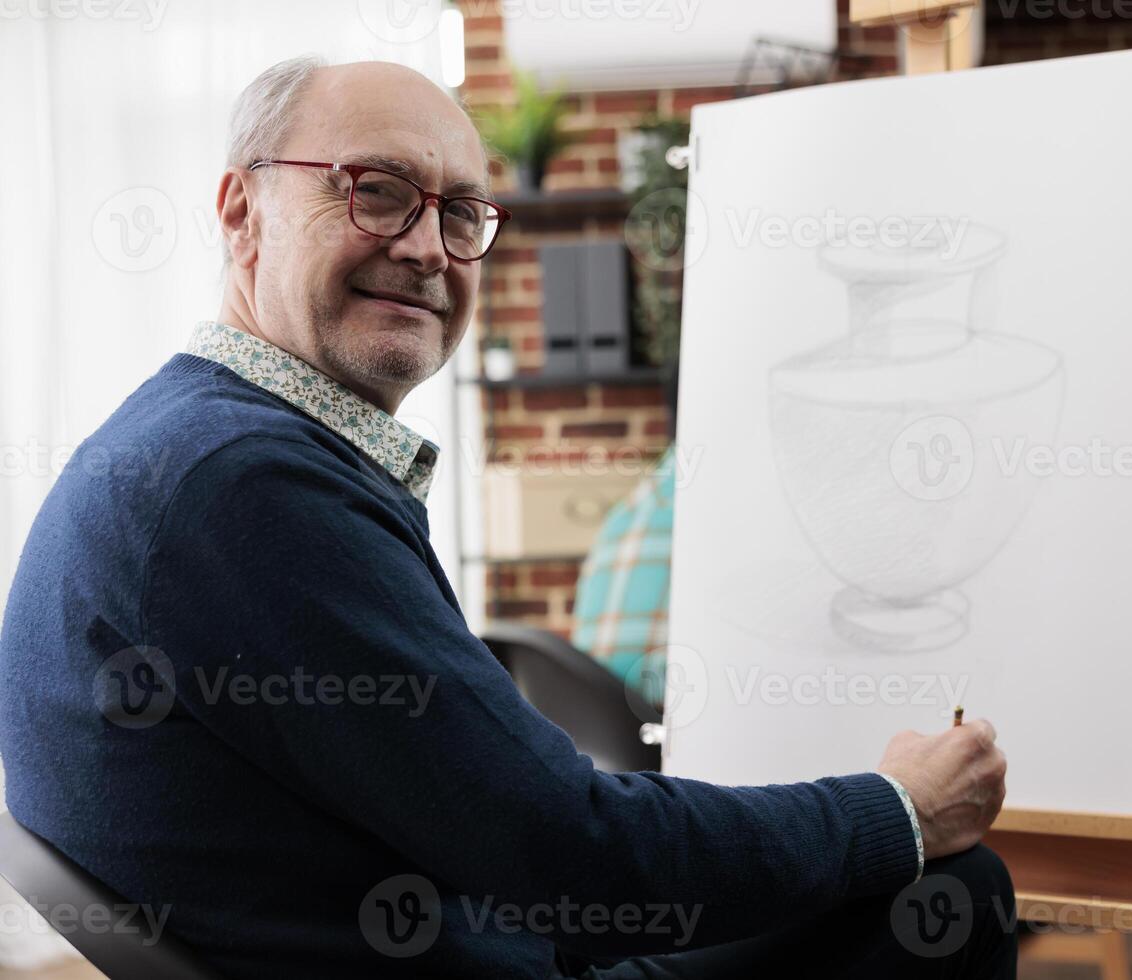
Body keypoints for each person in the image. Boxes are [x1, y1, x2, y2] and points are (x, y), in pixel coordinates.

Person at [0, 57, 1015, 978]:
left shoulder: (190, 443)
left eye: (460, 214)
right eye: (378, 192)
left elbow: (507, 827)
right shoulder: (244, 482)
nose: (428, 249)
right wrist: (896, 809)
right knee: (947, 894)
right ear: (240, 211)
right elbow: (574, 854)